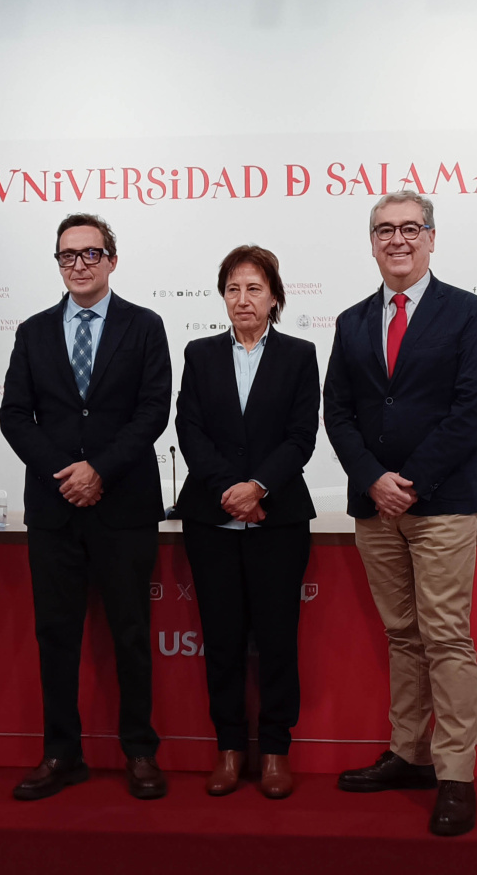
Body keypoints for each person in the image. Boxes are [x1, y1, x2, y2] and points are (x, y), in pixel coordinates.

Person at [322, 191, 477, 836]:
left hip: (441, 504)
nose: (397, 239)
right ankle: (409, 754)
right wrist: (372, 479)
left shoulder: (467, 312)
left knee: (445, 637)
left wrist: (411, 483)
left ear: (430, 237)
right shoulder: (352, 321)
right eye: (384, 230)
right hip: (374, 507)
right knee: (402, 635)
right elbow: (338, 411)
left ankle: (456, 774)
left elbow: (472, 410)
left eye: (409, 228)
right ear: (371, 242)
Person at [0, 213, 173, 801]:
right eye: (67, 255)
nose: (79, 265)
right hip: (55, 511)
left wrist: (99, 469)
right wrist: (65, 474)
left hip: (123, 506)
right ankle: (61, 754)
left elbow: (153, 410)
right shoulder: (33, 331)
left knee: (131, 634)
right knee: (56, 637)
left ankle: (140, 752)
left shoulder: (144, 326)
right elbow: (14, 415)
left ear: (112, 260)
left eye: (91, 254)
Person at [175, 245, 319, 799]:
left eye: (254, 288)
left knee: (278, 639)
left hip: (277, 519)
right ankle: (230, 748)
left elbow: (301, 436)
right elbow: (190, 431)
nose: (243, 299)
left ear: (274, 298)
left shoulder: (299, 355)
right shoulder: (200, 354)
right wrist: (230, 493)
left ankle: (276, 749)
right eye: (233, 288)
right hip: (211, 521)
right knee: (222, 640)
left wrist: (258, 487)